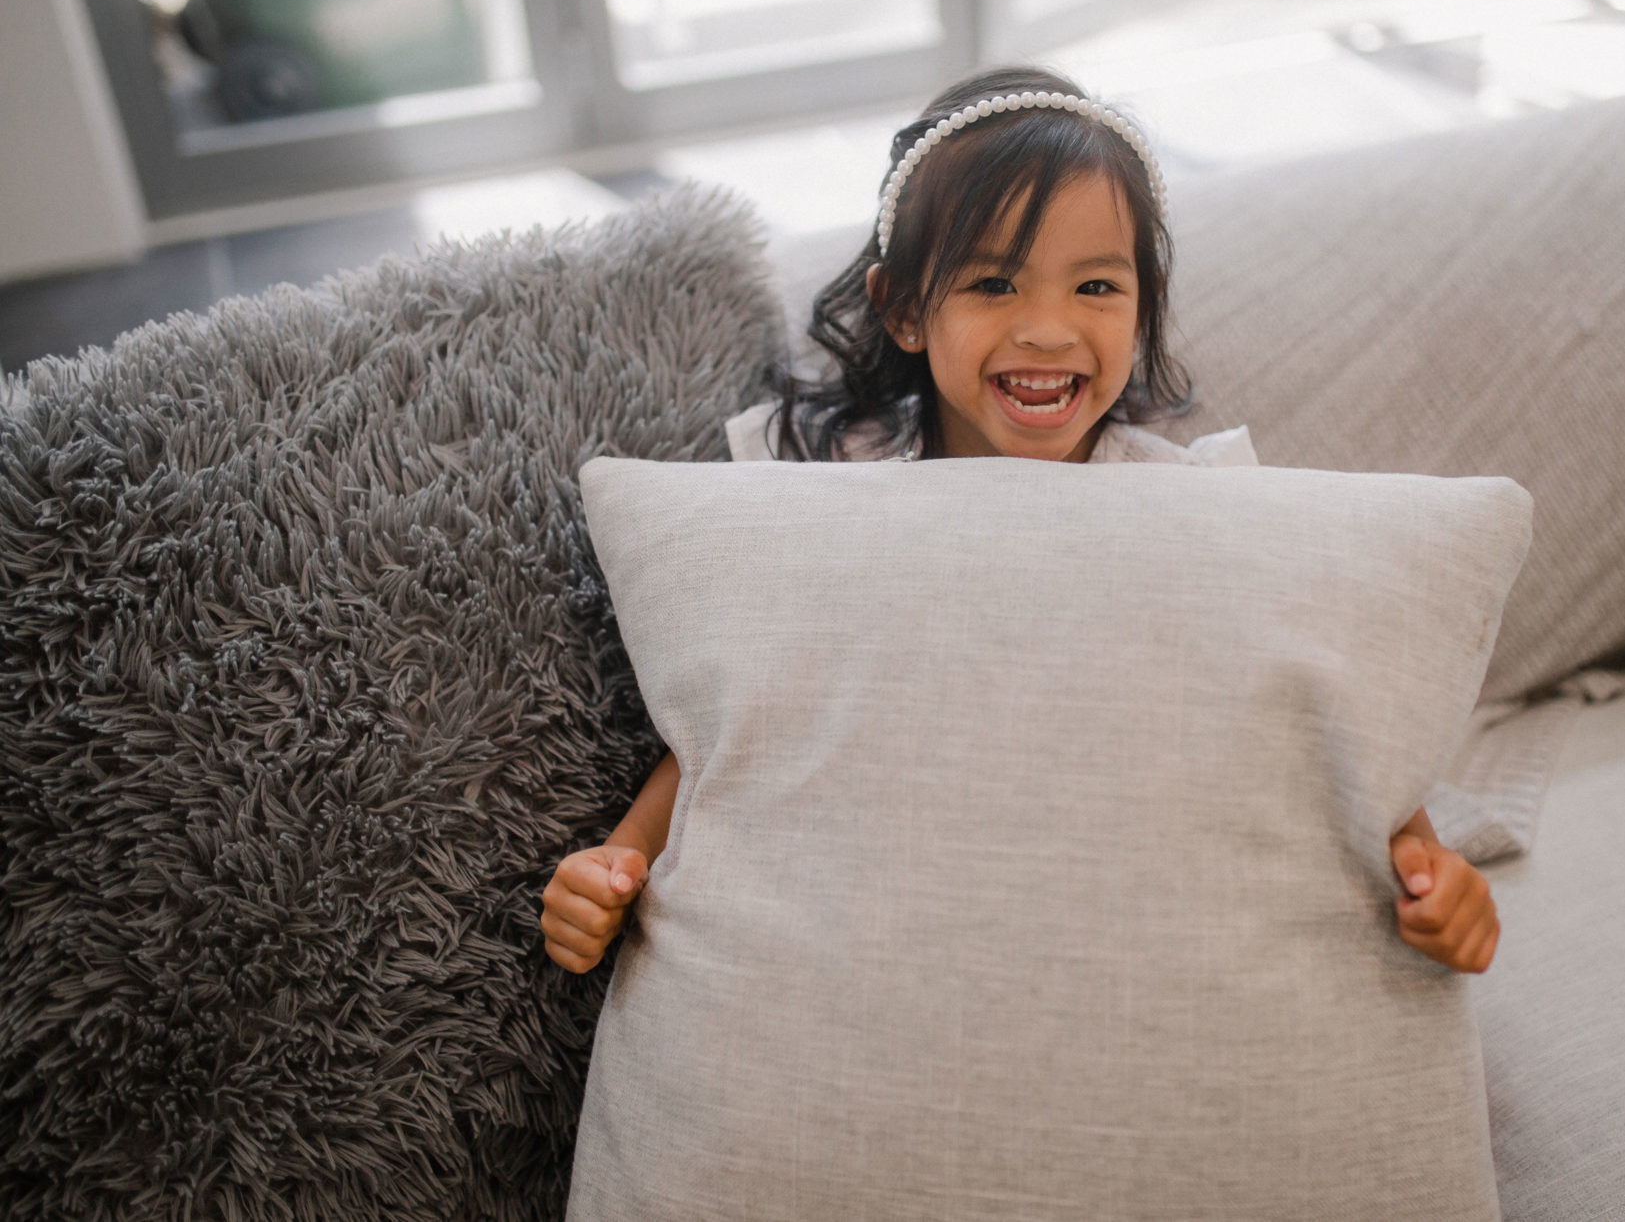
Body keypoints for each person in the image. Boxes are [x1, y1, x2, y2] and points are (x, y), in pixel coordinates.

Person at [541, 66, 1498, 978]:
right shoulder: (837, 478)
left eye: (1096, 287)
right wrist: (619, 858)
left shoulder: (1187, 504)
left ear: (1143, 306)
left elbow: (1310, 700)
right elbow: (734, 704)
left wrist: (1423, 859)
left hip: (1112, 876)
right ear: (907, 308)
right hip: (886, 880)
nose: (1047, 329)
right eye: (994, 285)